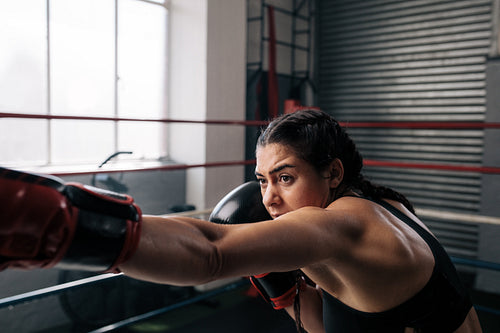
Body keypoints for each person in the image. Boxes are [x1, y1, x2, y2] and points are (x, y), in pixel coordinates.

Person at [0, 109, 482, 332]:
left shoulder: (341, 223)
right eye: (262, 179)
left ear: (333, 172)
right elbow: (328, 323)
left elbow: (210, 251)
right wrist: (287, 289)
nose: (269, 198)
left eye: (286, 178)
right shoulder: (385, 208)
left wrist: (62, 224)